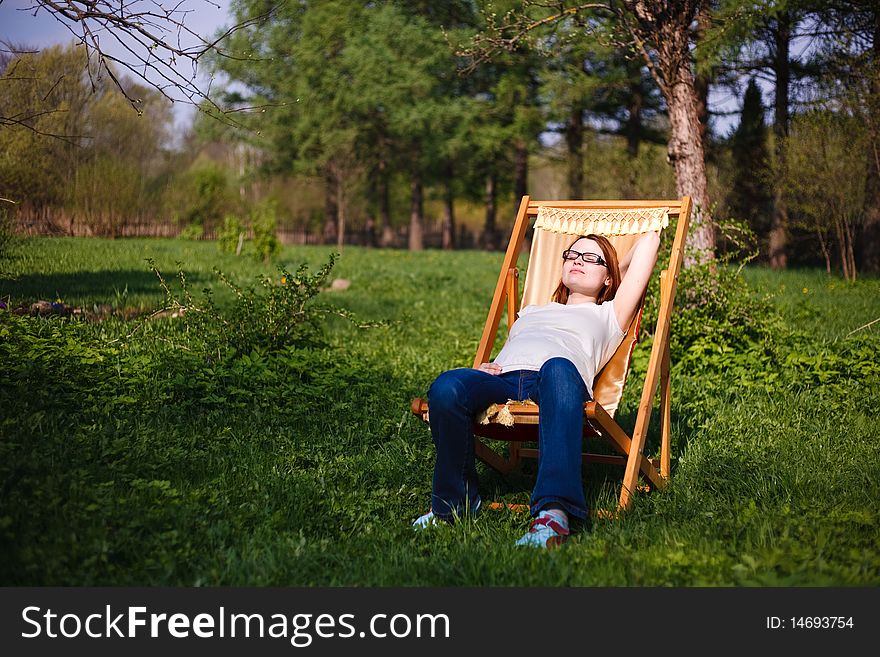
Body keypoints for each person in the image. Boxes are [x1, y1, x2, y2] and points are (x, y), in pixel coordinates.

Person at [413, 231, 661, 548]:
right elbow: (513, 348)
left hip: (556, 382)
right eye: (571, 255)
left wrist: (613, 269)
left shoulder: (610, 315)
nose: (577, 261)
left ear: (610, 279)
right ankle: (452, 505)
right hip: (502, 378)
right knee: (447, 386)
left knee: (557, 365)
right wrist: (485, 367)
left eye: (589, 258)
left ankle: (553, 513)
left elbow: (650, 241)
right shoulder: (531, 311)